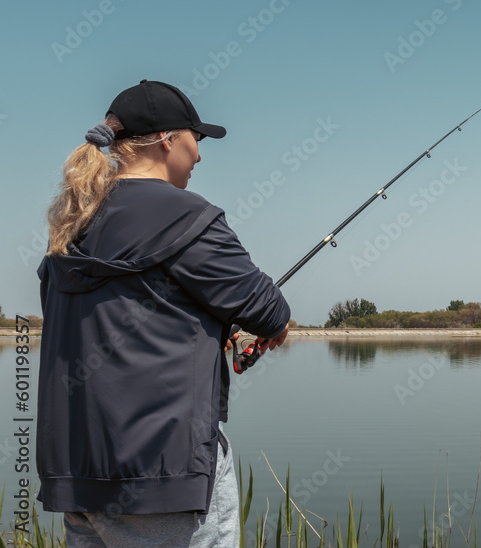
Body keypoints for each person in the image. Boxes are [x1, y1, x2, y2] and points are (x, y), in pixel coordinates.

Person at [36, 79, 290, 547]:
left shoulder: (70, 226)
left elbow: (122, 314)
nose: (199, 155)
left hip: (77, 478)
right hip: (163, 479)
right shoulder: (191, 219)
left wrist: (219, 329)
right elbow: (271, 311)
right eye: (196, 140)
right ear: (168, 140)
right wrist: (249, 323)